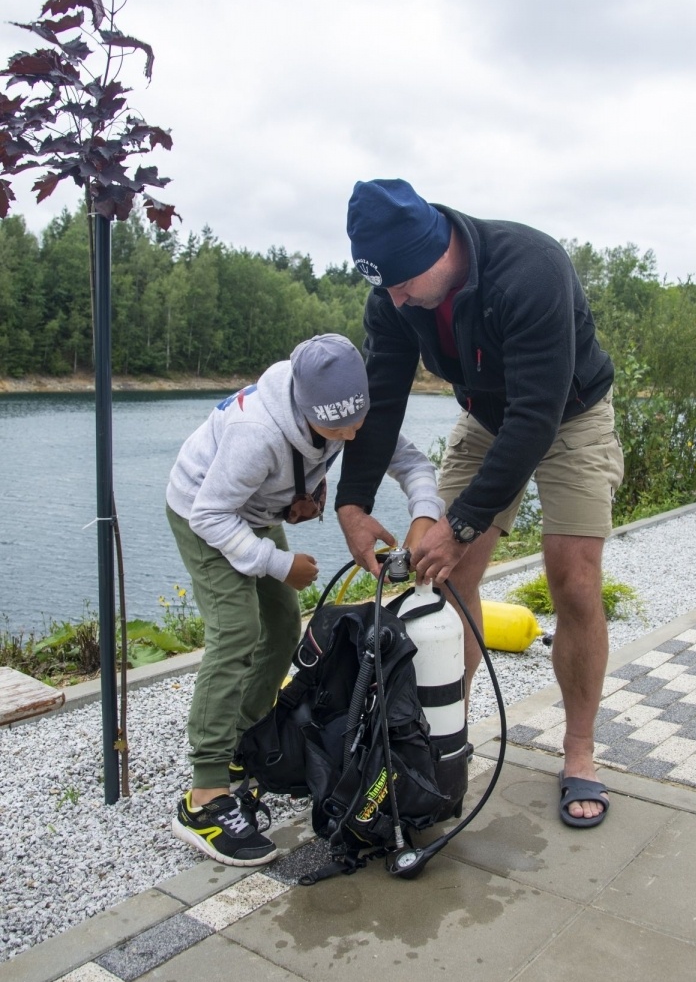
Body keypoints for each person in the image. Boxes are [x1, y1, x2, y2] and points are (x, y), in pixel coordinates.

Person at [335, 180, 624, 829]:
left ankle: (579, 753)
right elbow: (381, 405)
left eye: (405, 280)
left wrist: (460, 523)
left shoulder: (530, 268)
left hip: (568, 414)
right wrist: (350, 502)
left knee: (572, 576)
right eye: (385, 286)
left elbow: (536, 417)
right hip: (485, 417)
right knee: (449, 576)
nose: (397, 298)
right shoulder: (395, 296)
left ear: (438, 245)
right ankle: (444, 741)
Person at [167, 332, 444, 866]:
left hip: (251, 516)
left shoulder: (349, 412)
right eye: (338, 428)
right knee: (237, 632)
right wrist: (278, 563)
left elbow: (412, 465)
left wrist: (424, 514)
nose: (353, 434)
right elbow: (208, 514)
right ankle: (203, 795)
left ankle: (244, 743)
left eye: (358, 420)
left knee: (281, 629)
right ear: (303, 405)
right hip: (203, 514)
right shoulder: (257, 434)